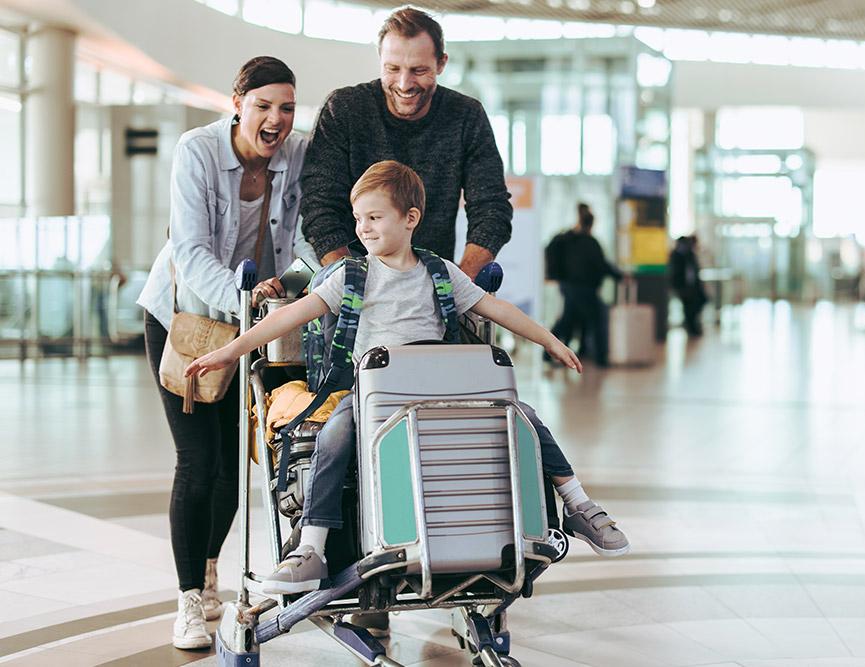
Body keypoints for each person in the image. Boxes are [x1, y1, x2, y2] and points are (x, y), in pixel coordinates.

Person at [185, 162, 631, 619]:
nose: (363, 227)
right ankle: (312, 548)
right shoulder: (350, 277)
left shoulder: (440, 273)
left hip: (439, 392)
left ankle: (578, 504)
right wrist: (231, 351)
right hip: (377, 394)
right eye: (359, 218)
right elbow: (291, 315)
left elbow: (495, 308)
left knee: (525, 417)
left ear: (410, 218)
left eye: (375, 217)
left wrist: (550, 340)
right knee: (334, 434)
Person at [137, 56, 317, 650]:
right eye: (263, 105)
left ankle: (210, 569)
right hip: (184, 318)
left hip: (248, 326)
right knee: (197, 460)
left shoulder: (299, 154)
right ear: (237, 102)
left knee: (233, 469)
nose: (276, 119)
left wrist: (295, 289)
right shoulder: (197, 150)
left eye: (286, 107)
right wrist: (244, 294)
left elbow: (305, 235)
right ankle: (190, 598)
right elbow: (188, 251)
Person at [300, 7, 512, 279]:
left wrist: (458, 286)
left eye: (418, 70)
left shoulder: (466, 116)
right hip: (350, 286)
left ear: (441, 64)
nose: (404, 83)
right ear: (380, 60)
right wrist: (351, 282)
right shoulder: (344, 109)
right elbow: (319, 206)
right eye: (393, 69)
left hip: (434, 287)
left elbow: (491, 208)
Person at [548, 203, 621, 367]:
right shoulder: (589, 242)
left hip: (568, 287)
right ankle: (601, 358)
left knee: (568, 320)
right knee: (596, 319)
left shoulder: (568, 239)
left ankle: (550, 353)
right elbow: (602, 265)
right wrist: (619, 276)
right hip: (584, 289)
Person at [669, 235, 707, 336]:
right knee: (688, 308)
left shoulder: (690, 254)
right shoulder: (676, 255)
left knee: (698, 304)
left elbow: (695, 271)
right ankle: (691, 328)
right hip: (683, 287)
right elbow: (675, 273)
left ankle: (693, 327)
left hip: (693, 286)